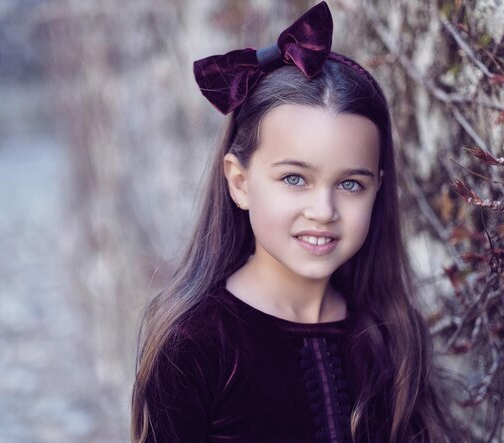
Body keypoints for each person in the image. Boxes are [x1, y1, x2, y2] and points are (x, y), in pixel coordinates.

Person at [132, 2, 453, 442]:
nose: (323, 210)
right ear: (240, 182)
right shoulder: (196, 344)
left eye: (351, 184)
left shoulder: (390, 332)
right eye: (295, 178)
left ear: (378, 187)